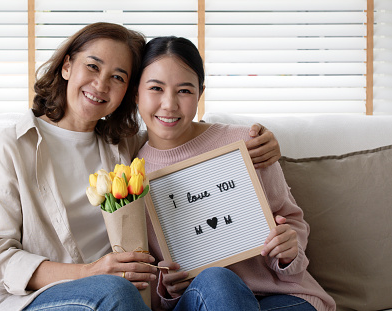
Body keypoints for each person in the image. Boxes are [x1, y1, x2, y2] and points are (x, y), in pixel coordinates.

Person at [0, 23, 281, 311]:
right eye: (92, 66)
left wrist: (255, 140)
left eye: (118, 77)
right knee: (114, 290)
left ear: (128, 93)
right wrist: (89, 273)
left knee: (140, 290)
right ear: (66, 66)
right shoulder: (11, 147)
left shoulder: (127, 146)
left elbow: (179, 135)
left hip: (126, 298)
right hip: (32, 300)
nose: (101, 85)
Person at [136, 36, 336, 311]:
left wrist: (288, 249)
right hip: (205, 299)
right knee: (217, 279)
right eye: (156, 88)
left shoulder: (247, 144)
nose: (169, 104)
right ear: (136, 92)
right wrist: (167, 288)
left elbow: (290, 219)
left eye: (184, 90)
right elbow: (150, 278)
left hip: (281, 298)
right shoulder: (133, 176)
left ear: (200, 93)